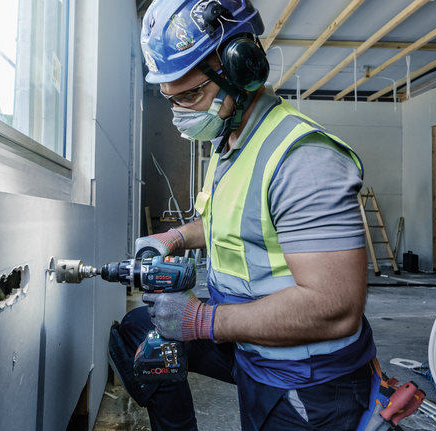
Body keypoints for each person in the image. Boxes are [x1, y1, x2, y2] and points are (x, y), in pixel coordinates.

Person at [109, 1, 377, 429]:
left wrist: (202, 320)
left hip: (308, 381)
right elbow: (230, 222)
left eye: (192, 94)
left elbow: (335, 307)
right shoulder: (230, 143)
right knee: (140, 329)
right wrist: (173, 238)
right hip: (250, 344)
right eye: (171, 99)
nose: (181, 114)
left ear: (242, 67)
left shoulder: (302, 159)